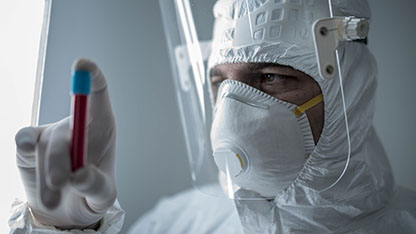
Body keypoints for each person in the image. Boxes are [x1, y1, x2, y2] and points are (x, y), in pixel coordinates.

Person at [9, 0, 416, 233]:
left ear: (350, 89)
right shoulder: (178, 223)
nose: (233, 113)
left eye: (271, 77)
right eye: (221, 83)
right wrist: (61, 229)